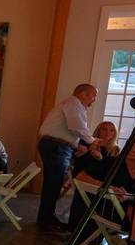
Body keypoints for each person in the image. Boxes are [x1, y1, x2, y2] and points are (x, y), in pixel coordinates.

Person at [36, 83, 101, 233]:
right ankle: (46, 221)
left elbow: (66, 130)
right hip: (56, 147)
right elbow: (76, 126)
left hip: (56, 146)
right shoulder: (74, 103)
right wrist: (93, 141)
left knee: (53, 184)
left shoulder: (71, 104)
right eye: (93, 95)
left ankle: (46, 218)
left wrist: (77, 146)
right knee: (53, 185)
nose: (94, 99)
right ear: (83, 94)